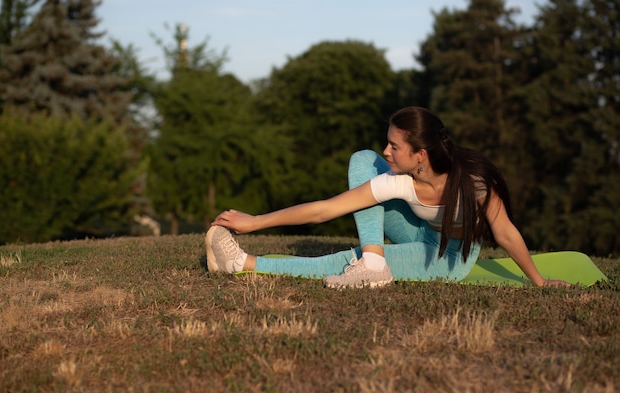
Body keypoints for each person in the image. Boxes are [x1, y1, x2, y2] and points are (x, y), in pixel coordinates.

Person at [205, 106, 569, 288]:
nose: (387, 151)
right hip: (420, 231)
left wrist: (538, 281)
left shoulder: (473, 185)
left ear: (421, 155)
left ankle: (242, 264)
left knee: (348, 260)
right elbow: (326, 209)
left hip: (448, 255)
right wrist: (255, 221)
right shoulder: (402, 179)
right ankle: (375, 264)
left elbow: (505, 233)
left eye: (394, 146)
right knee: (363, 159)